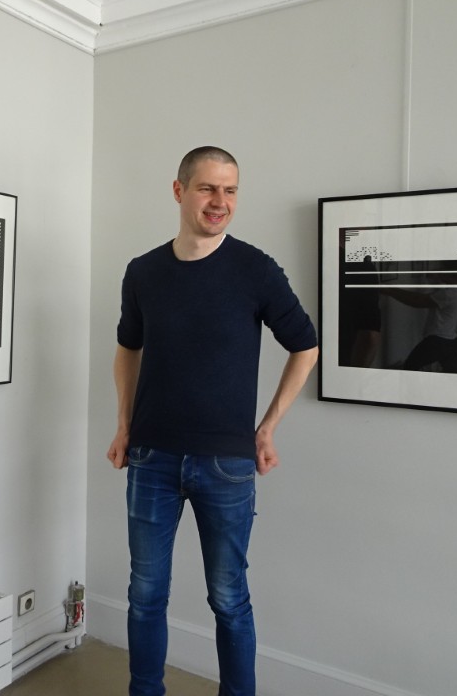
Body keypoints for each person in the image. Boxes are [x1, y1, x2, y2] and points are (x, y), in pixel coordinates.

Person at [107, 146, 319, 696]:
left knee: (229, 599)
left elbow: (305, 346)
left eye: (230, 190)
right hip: (150, 458)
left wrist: (267, 428)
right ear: (180, 190)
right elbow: (128, 348)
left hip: (226, 465)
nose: (220, 201)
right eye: (207, 188)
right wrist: (124, 424)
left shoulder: (255, 270)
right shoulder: (143, 271)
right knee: (145, 595)